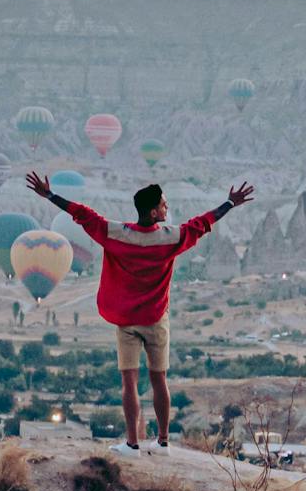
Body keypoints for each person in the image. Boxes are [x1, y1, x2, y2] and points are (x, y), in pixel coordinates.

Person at [26, 169, 254, 451]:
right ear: (154, 212)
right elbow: (203, 223)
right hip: (156, 319)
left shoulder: (115, 234)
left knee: (129, 382)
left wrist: (49, 195)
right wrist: (229, 203)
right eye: (164, 205)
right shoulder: (170, 238)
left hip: (126, 321)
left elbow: (82, 214)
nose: (167, 208)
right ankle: (163, 441)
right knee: (159, 380)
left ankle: (132, 443)